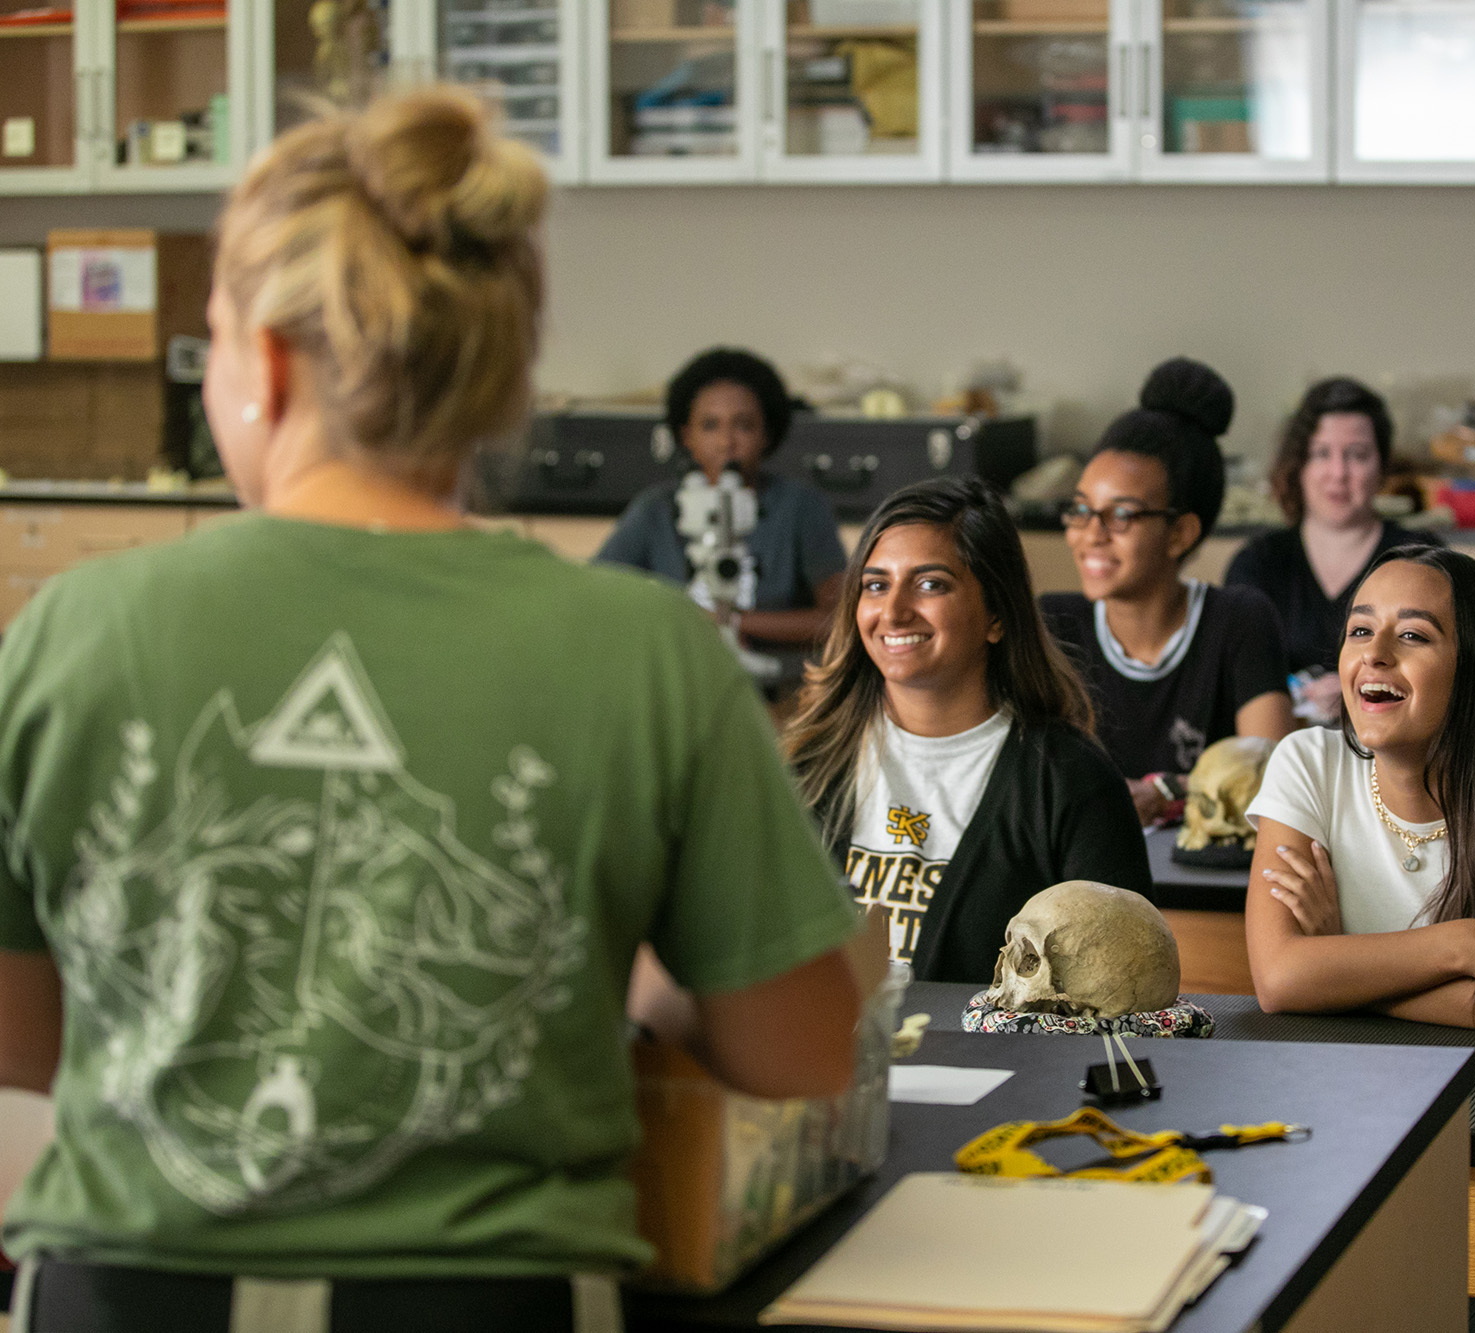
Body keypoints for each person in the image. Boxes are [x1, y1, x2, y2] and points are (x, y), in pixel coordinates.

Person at [0, 88, 861, 1331]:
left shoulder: (70, 630)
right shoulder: (644, 652)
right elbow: (803, 1050)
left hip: (119, 1300)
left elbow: (22, 1055)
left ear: (270, 361)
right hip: (489, 1304)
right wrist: (646, 979)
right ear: (501, 374)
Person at [785, 477, 1151, 984]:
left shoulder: (1071, 781)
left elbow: (1117, 994)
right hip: (822, 1060)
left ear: (997, 615)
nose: (893, 611)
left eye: (930, 584)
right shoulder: (806, 768)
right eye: (875, 584)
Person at [1243, 547, 1475, 1033]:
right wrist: (1469, 945)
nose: (1374, 653)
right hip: (1331, 1082)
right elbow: (1279, 979)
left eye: (1413, 635)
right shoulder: (1306, 762)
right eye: (1360, 630)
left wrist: (1337, 970)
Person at [1040, 357, 1293, 825]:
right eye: (1080, 509)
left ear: (1181, 533)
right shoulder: (1055, 626)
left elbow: (1271, 776)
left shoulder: (1238, 620)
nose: (1091, 533)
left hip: (1206, 880)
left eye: (1121, 516)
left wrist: (1162, 792)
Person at [597, 347, 847, 647]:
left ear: (766, 433)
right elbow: (598, 593)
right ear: (686, 435)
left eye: (743, 425)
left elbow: (838, 619)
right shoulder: (655, 509)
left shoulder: (802, 507)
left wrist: (733, 621)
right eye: (710, 425)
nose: (727, 442)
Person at [1226, 377, 1441, 718]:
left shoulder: (1421, 557)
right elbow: (1235, 682)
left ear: (1382, 466)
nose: (1338, 473)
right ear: (1299, 466)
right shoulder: (1257, 562)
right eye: (1321, 453)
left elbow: (1441, 672)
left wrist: (1357, 691)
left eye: (1357, 455)